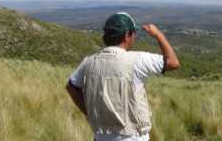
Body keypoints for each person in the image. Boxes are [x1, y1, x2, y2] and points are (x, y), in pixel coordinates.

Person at [66, 12, 180, 141]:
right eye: (133, 33)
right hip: (132, 136)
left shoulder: (88, 62)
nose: (134, 36)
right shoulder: (138, 60)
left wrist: (89, 113)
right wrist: (158, 35)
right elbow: (173, 63)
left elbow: (71, 86)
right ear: (127, 35)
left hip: (100, 136)